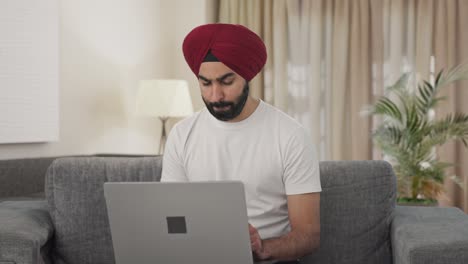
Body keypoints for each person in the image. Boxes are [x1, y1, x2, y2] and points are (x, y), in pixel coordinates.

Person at [161, 23, 321, 264]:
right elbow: (171, 218)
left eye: (226, 82)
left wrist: (262, 247)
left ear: (247, 76)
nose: (215, 96)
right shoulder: (181, 134)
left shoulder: (291, 136)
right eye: (205, 83)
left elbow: (308, 235)